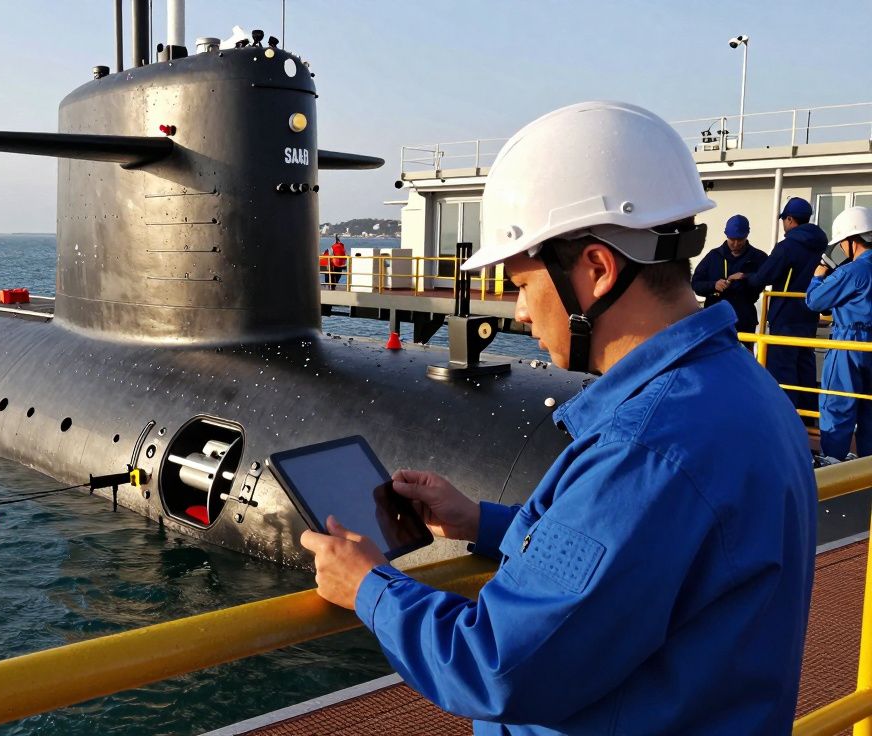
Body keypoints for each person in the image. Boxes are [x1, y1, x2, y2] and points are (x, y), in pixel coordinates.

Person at [300, 101, 816, 734]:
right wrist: (481, 522)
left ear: (596, 270)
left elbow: (496, 667)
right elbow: (643, 555)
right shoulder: (748, 393)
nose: (518, 313)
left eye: (521, 282)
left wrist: (368, 588)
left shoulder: (645, 449)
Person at [732, 197, 828, 416]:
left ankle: (786, 420)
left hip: (785, 315)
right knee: (805, 367)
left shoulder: (788, 246)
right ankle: (809, 419)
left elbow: (763, 277)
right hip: (810, 314)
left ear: (790, 219)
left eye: (784, 219)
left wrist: (745, 277)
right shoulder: (821, 244)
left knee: (782, 371)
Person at [807, 206, 872, 460]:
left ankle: (833, 465)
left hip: (850, 344)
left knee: (837, 407)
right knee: (869, 413)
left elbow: (814, 301)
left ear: (851, 241)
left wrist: (817, 277)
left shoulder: (852, 271)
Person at [691, 214, 766, 334]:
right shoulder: (713, 256)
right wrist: (713, 285)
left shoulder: (758, 257)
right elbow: (696, 284)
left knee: (744, 351)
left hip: (744, 320)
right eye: (732, 239)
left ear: (747, 235)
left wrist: (745, 277)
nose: (736, 244)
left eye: (740, 239)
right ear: (726, 235)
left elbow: (764, 280)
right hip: (715, 320)